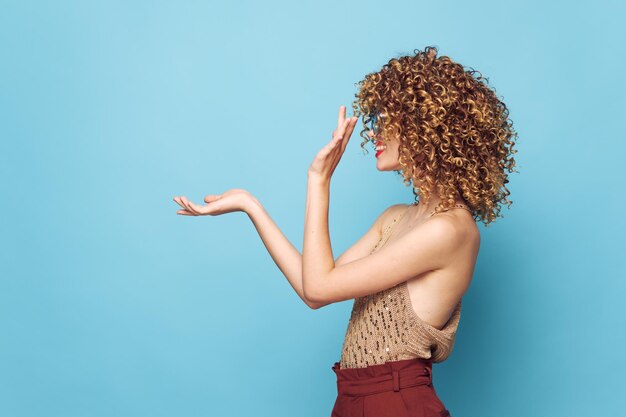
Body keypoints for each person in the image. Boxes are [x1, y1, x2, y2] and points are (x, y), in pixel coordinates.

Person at [173, 45, 518, 417]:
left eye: (389, 121)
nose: (375, 134)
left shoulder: (451, 231)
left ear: (425, 129)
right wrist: (250, 205)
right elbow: (314, 290)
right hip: (353, 399)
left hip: (397, 402)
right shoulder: (395, 218)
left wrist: (319, 181)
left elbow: (320, 285)